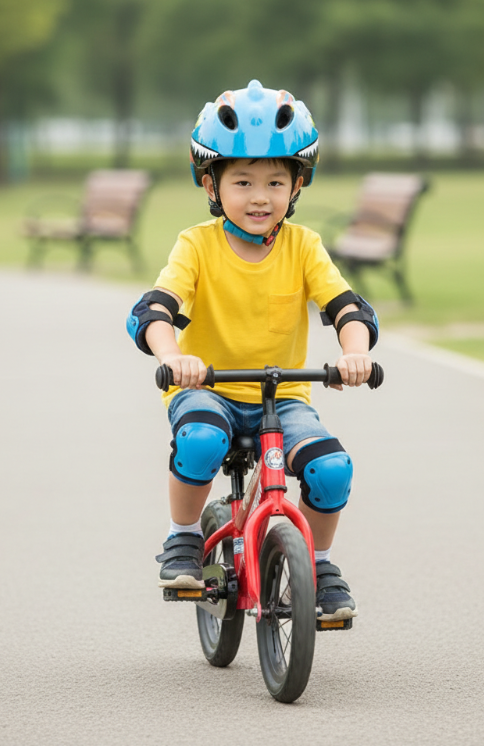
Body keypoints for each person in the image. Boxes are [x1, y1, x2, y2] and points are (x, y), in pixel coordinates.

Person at [127, 79, 379, 621]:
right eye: (242, 181)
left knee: (331, 470)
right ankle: (184, 536)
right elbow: (154, 310)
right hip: (207, 389)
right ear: (211, 185)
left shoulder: (303, 245)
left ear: (297, 185)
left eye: (274, 181)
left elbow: (348, 308)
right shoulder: (196, 245)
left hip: (284, 397)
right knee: (199, 440)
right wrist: (172, 355)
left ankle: (320, 561)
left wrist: (355, 352)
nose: (260, 196)